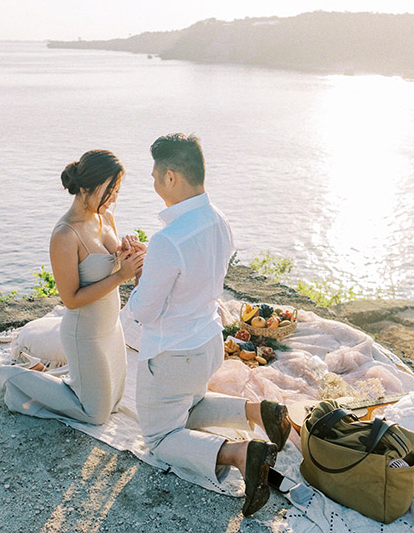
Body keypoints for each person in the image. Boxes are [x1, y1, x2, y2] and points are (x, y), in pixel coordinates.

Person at [123, 133, 292, 517]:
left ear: (171, 178)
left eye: (153, 176)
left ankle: (240, 452)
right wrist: (157, 269)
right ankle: (257, 412)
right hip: (207, 343)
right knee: (191, 404)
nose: (151, 184)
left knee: (160, 436)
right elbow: (195, 275)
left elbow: (144, 312)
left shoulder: (168, 239)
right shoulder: (219, 220)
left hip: (172, 356)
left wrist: (135, 277)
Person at [0, 150, 145, 425]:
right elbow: (71, 300)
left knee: (114, 404)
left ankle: (45, 374)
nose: (113, 198)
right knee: (95, 414)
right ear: (85, 187)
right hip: (83, 333)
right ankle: (13, 376)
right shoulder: (64, 234)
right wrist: (121, 276)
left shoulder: (103, 217)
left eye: (117, 190)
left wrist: (129, 252)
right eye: (108, 190)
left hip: (111, 326)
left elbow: (114, 265)